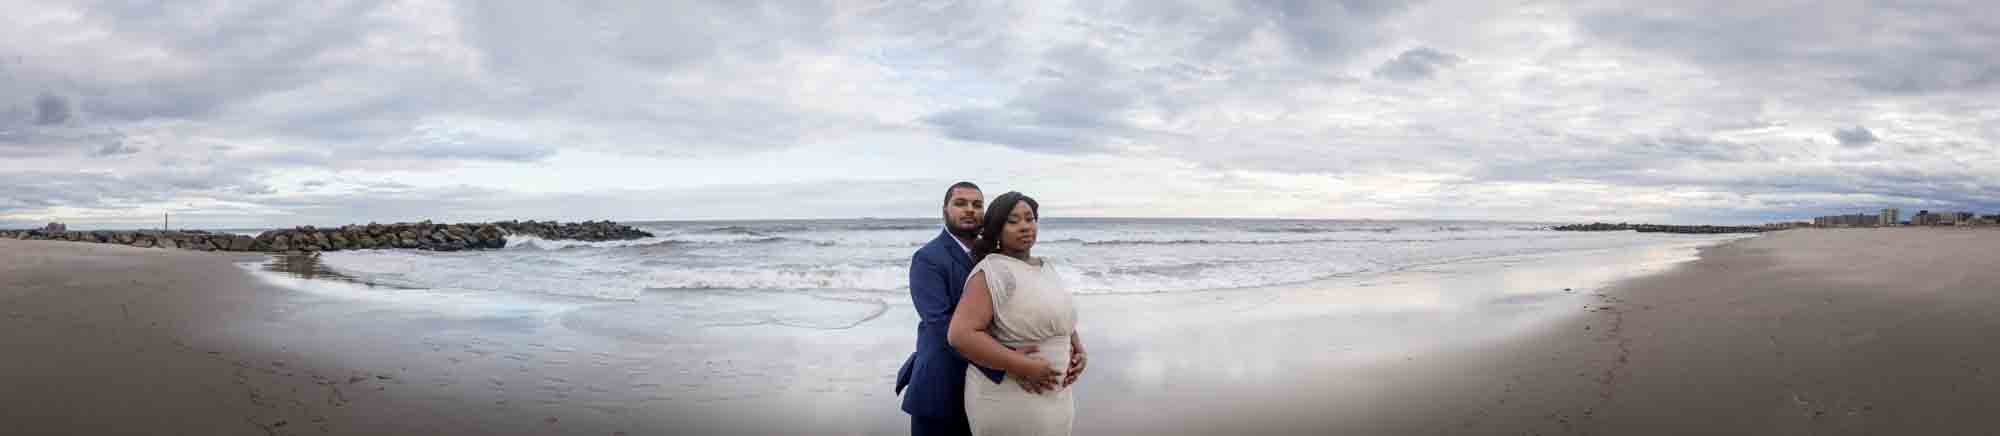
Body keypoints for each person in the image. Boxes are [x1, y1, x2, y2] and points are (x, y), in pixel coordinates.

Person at [948, 191, 1085, 436]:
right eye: (1012, 221)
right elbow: (961, 335)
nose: (1024, 226)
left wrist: (1078, 348)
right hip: (1011, 398)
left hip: (1058, 398)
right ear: (997, 230)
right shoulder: (992, 271)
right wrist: (1022, 366)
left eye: (1030, 218)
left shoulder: (1046, 267)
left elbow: (1058, 315)